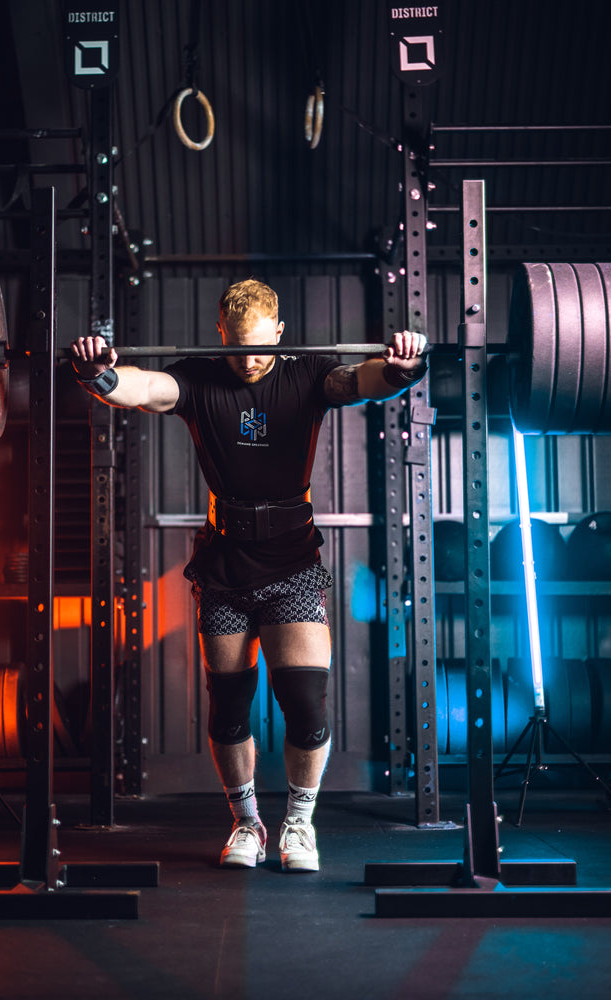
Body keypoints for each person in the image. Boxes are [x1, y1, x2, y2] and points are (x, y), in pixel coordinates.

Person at [71, 279, 428, 872]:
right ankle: (246, 823)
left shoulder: (308, 374)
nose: (251, 359)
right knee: (229, 709)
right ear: (221, 335)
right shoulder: (200, 378)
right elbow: (146, 388)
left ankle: (299, 823)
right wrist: (100, 375)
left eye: (262, 347)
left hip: (292, 563)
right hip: (225, 567)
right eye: (239, 348)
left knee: (305, 704)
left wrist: (402, 366)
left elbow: (362, 381)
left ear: (280, 334)